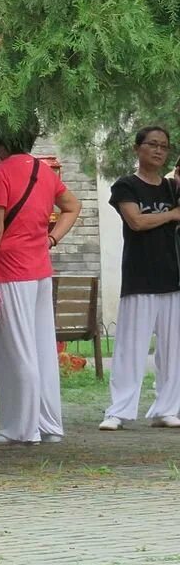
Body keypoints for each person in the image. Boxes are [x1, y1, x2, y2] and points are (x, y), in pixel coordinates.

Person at [0, 133, 81, 445]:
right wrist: (51, 238)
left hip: (8, 269)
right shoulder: (44, 171)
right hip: (39, 268)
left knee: (15, 349)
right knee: (43, 349)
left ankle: (20, 428)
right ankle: (49, 424)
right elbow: (72, 207)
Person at [99, 126, 180, 430]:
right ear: (137, 148)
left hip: (173, 277)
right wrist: (171, 215)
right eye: (152, 145)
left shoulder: (172, 188)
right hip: (140, 276)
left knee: (174, 350)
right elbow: (135, 221)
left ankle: (167, 407)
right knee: (130, 347)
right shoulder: (126, 186)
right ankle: (118, 410)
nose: (158, 151)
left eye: (164, 146)